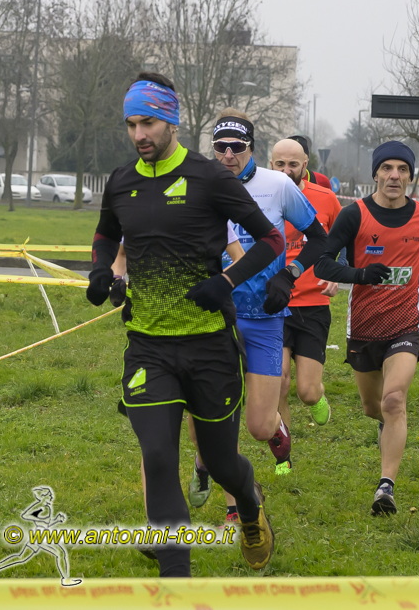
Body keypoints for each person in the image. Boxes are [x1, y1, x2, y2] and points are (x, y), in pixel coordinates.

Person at [83, 74, 292, 576]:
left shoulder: (209, 177)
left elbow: (270, 240)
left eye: (148, 123)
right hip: (148, 348)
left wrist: (225, 282)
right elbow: (106, 234)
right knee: (158, 458)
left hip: (208, 348)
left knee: (221, 464)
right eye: (131, 125)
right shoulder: (122, 181)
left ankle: (249, 504)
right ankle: (177, 584)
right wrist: (100, 271)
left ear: (171, 121)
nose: (139, 135)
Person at [184, 114, 328, 523]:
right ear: (212, 148)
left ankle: (275, 430)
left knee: (260, 427)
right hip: (214, 318)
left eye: (238, 147)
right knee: (212, 419)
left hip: (264, 317)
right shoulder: (198, 187)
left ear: (252, 148)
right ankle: (234, 503)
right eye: (221, 147)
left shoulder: (277, 185)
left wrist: (290, 275)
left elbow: (320, 238)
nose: (229, 155)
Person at [306, 140, 419, 517]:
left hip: (406, 322)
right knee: (374, 408)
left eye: (402, 169)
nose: (394, 176)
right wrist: (360, 274)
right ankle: (390, 429)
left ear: (410, 176)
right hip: (365, 325)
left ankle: (386, 487)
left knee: (394, 400)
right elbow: (322, 263)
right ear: (376, 174)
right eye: (387, 168)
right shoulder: (354, 215)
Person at [269, 137, 342, 437]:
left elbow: (343, 240)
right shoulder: (259, 197)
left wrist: (336, 273)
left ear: (305, 165)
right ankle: (283, 452)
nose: (286, 171)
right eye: (280, 164)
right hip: (275, 304)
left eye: (293, 164)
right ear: (271, 164)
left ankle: (317, 396)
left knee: (307, 392)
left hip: (313, 305)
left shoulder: (325, 198)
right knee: (279, 382)